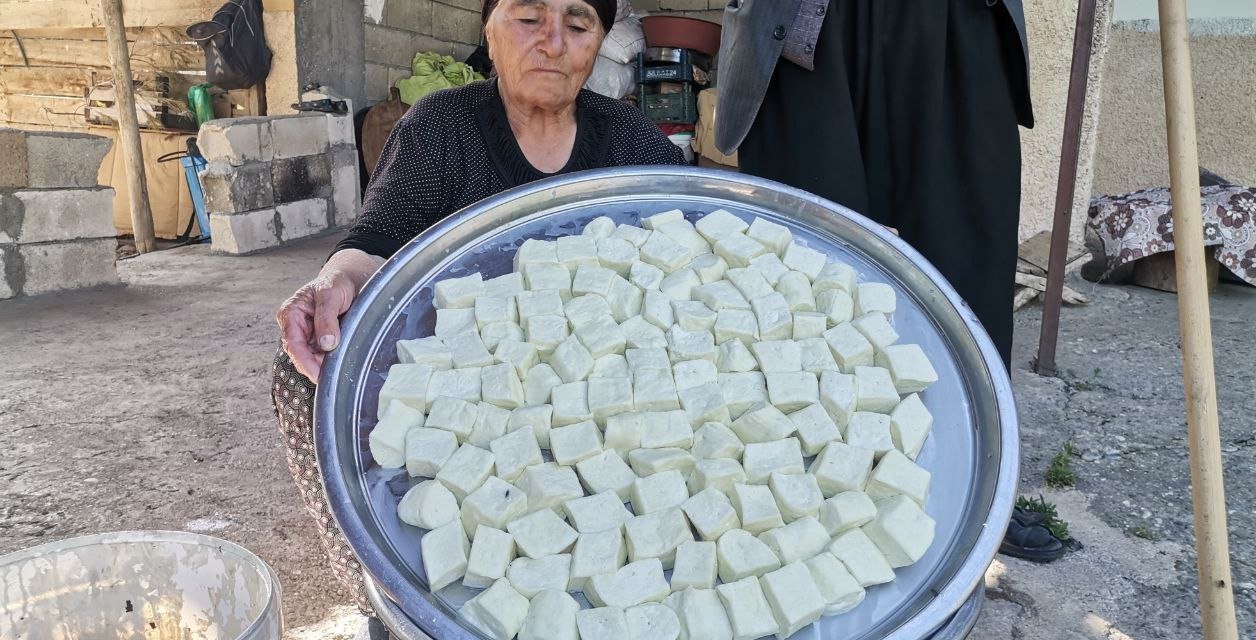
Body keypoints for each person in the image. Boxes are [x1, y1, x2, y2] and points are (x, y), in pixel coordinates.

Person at [271, 0, 684, 621]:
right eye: (528, 19)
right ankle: (390, 598)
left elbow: (695, 242)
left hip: (604, 369)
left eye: (577, 25)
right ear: (488, 35)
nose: (552, 43)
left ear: (598, 44)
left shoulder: (630, 139)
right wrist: (331, 286)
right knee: (303, 379)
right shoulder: (442, 126)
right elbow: (377, 237)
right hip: (470, 368)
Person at [716, 1, 1066, 562]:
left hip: (955, 19)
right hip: (810, 19)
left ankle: (972, 492)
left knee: (967, 266)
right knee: (810, 272)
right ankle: (810, 498)